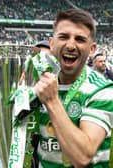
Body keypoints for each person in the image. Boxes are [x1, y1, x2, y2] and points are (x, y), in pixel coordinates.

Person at [32, 8, 113, 167]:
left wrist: (52, 101)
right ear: (52, 43)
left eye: (80, 39)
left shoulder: (103, 90)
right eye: (63, 37)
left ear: (92, 49)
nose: (70, 45)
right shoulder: (37, 81)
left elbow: (82, 157)